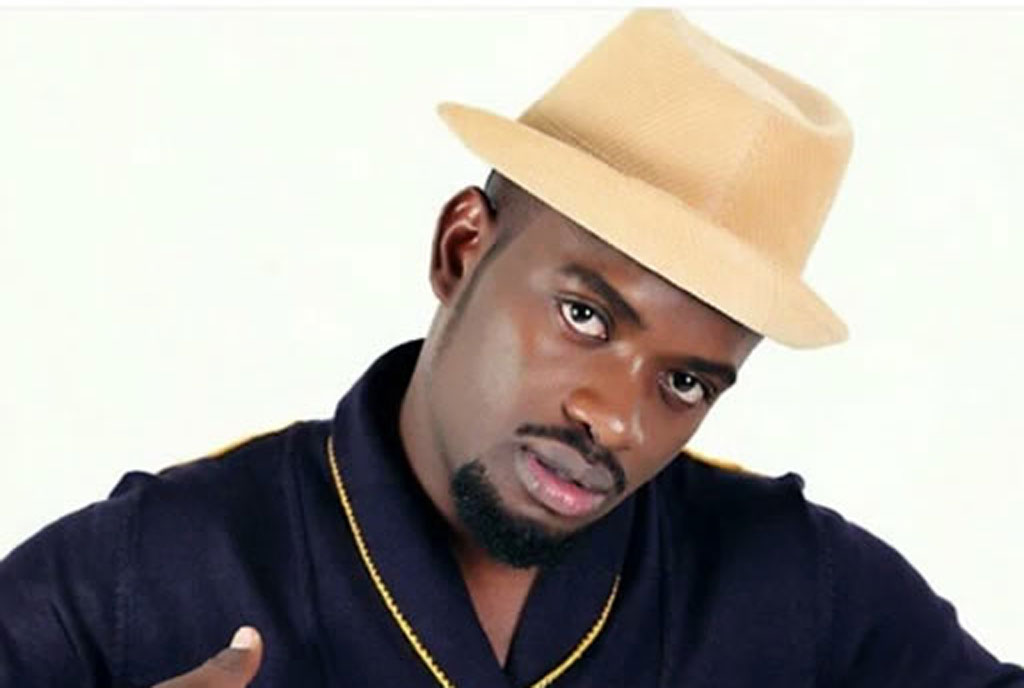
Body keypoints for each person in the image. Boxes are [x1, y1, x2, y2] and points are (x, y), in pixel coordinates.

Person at [1, 9, 1021, 687]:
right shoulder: (148, 573)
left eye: (683, 380)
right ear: (462, 248)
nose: (615, 419)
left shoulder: (797, 588)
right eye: (586, 316)